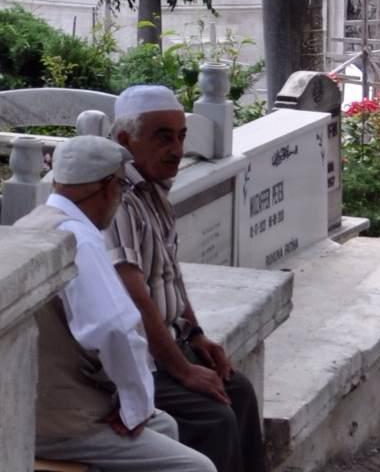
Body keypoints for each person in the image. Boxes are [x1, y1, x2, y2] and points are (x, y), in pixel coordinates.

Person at [15, 135, 215, 471]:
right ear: (107, 187)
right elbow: (113, 329)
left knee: (165, 425)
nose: (121, 198)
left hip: (34, 404)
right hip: (64, 422)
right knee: (196, 468)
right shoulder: (80, 242)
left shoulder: (31, 223)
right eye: (122, 187)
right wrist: (134, 408)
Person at [109, 84, 268, 472]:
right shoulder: (118, 200)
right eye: (163, 137)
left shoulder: (155, 192)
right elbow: (133, 295)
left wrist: (196, 335)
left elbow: (169, 275)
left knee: (240, 392)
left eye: (181, 136)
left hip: (172, 344)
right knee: (213, 417)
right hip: (138, 360)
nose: (177, 150)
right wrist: (181, 369)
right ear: (125, 140)